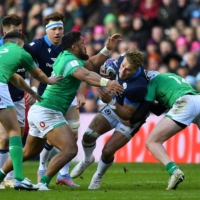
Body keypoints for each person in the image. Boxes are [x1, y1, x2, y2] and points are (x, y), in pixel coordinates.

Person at [0, 31, 124, 191]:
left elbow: (91, 65)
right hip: (48, 111)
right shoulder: (69, 61)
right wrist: (106, 82)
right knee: (70, 149)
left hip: (42, 109)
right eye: (82, 42)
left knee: (30, 151)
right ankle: (43, 183)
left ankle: (1, 176)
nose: (85, 45)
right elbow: (85, 74)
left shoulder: (69, 57)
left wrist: (107, 49)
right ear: (74, 46)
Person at [70, 49, 149, 189]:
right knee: (88, 136)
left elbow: (126, 115)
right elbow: (115, 61)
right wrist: (106, 71)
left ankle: (97, 177)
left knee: (107, 151)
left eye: (128, 70)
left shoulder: (138, 86)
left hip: (129, 118)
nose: (123, 72)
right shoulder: (123, 58)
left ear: (137, 69)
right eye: (123, 66)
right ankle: (88, 159)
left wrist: (110, 102)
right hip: (115, 106)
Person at [26, 12, 86, 187]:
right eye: (54, 29)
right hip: (45, 98)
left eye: (60, 28)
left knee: (73, 135)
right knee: (50, 138)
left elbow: (82, 70)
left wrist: (81, 93)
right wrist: (34, 89)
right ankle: (42, 169)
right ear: (47, 31)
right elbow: (31, 67)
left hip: (67, 95)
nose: (58, 32)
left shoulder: (68, 47)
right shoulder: (36, 46)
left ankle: (64, 174)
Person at [0, 31, 62, 191]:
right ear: (20, 42)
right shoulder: (21, 52)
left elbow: (16, 79)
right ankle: (18, 178)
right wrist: (49, 80)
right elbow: (38, 73)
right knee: (14, 131)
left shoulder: (3, 55)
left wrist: (32, 92)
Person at [130, 71, 200, 190]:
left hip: (185, 103)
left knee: (152, 142)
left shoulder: (153, 82)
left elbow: (139, 115)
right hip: (197, 99)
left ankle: (174, 171)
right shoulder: (168, 77)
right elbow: (158, 110)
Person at [0, 14, 38, 189]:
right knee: (4, 137)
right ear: (5, 31)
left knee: (18, 136)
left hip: (18, 97)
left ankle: (12, 176)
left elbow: (32, 72)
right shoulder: (3, 49)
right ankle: (5, 176)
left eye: (20, 30)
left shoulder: (25, 48)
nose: (19, 35)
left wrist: (33, 89)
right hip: (3, 94)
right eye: (15, 31)